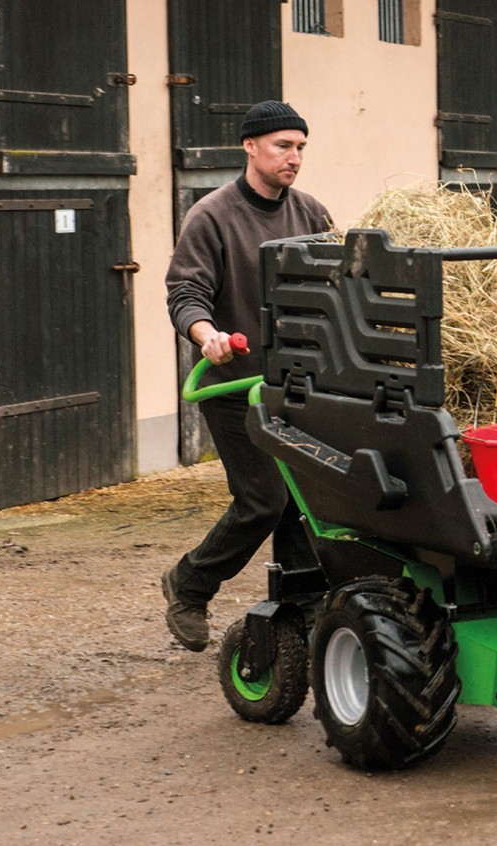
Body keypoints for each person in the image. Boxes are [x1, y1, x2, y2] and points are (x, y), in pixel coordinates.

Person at [161, 100, 333, 651]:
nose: (295, 157)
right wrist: (206, 334)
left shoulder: (311, 215)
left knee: (305, 498)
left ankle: (301, 609)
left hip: (296, 384)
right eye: (283, 146)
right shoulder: (212, 215)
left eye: (301, 147)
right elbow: (185, 291)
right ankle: (190, 583)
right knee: (264, 499)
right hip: (235, 384)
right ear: (250, 147)